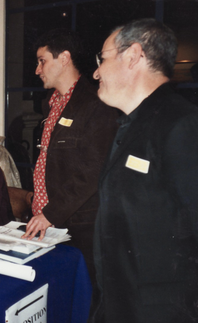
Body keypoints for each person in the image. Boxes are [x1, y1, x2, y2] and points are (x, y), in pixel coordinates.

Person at [91, 18, 198, 322]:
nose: (97, 71)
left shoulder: (182, 124)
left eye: (103, 58)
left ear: (134, 55)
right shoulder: (132, 125)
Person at [21, 29, 118, 294]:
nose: (37, 69)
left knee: (82, 297)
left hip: (78, 227)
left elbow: (93, 171)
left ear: (64, 58)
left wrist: (49, 214)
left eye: (42, 60)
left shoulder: (96, 104)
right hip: (47, 221)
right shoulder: (51, 104)